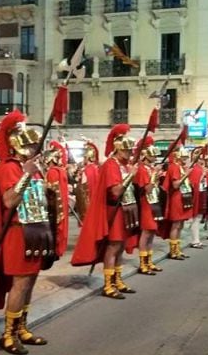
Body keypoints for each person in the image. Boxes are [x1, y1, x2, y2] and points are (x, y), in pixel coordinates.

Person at [0, 110, 53, 354]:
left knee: (30, 283)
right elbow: (9, 200)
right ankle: (9, 334)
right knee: (20, 284)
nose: (33, 146)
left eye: (33, 143)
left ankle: (22, 328)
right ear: (17, 144)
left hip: (36, 231)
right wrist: (27, 173)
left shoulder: (32, 167)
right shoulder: (9, 167)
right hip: (18, 232)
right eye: (28, 142)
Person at [71, 124, 140, 299]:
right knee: (113, 246)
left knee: (122, 245)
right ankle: (108, 285)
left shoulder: (124, 165)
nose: (130, 153)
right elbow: (116, 191)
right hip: (114, 210)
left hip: (126, 210)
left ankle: (117, 279)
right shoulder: (111, 164)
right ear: (119, 149)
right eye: (127, 150)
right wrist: (132, 175)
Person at [134, 136, 164, 275]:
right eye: (153, 156)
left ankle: (149, 261)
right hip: (146, 202)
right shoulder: (141, 169)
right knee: (146, 233)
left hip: (154, 201)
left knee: (152, 233)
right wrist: (155, 175)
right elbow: (146, 189)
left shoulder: (150, 169)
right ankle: (142, 263)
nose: (155, 158)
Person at [163, 145, 193, 260]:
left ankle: (178, 249)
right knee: (176, 225)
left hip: (184, 197)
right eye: (184, 158)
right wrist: (186, 175)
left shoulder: (180, 167)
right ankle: (173, 251)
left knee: (180, 225)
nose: (185, 160)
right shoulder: (174, 167)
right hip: (177, 198)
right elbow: (175, 184)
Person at [44, 141, 70, 258]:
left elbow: (53, 193)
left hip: (55, 207)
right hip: (61, 206)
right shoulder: (61, 171)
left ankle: (54, 250)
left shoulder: (52, 172)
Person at [188, 147, 207, 249]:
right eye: (200, 158)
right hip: (197, 194)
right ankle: (195, 240)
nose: (202, 160)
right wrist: (202, 175)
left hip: (202, 193)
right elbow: (195, 183)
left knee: (199, 218)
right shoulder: (195, 169)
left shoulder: (201, 169)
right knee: (196, 219)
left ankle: (197, 239)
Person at [75, 140, 99, 221]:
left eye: (84, 157)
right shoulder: (96, 168)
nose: (83, 159)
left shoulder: (86, 170)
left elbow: (83, 188)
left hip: (88, 200)